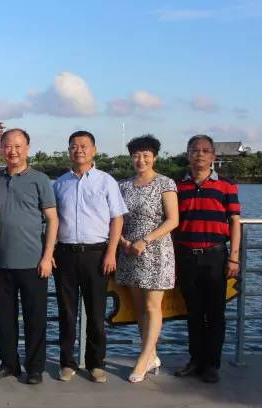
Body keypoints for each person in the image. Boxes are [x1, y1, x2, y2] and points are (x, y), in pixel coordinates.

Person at [53, 130, 127, 383]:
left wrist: (111, 252)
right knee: (66, 313)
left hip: (97, 254)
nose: (79, 150)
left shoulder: (106, 181)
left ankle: (96, 363)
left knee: (96, 314)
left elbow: (117, 219)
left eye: (84, 145)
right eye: (74, 146)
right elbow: (52, 220)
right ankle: (67, 363)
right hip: (64, 254)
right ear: (69, 151)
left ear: (94, 150)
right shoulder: (60, 183)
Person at [0, 129, 58, 385]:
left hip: (34, 263)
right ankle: (9, 364)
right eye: (8, 146)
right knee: (4, 319)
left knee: (35, 318)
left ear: (27, 148)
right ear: (2, 149)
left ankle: (35, 368)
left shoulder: (40, 180)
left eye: (18, 146)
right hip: (1, 262)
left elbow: (52, 220)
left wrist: (47, 256)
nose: (13, 151)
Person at [173, 135, 241, 383]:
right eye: (195, 150)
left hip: (215, 256)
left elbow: (234, 221)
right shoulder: (177, 186)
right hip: (186, 256)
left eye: (205, 150)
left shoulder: (226, 185)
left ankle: (212, 365)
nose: (199, 154)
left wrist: (234, 258)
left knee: (215, 313)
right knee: (193, 313)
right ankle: (195, 360)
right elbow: (172, 223)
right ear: (188, 154)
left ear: (213, 156)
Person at [115, 135, 179, 383]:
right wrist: (123, 242)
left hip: (156, 252)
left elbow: (172, 220)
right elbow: (116, 218)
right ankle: (151, 355)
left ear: (154, 157)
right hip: (129, 252)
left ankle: (143, 359)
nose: (141, 160)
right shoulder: (123, 186)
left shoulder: (165, 183)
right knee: (139, 308)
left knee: (153, 307)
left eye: (146, 155)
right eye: (136, 155)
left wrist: (145, 240)